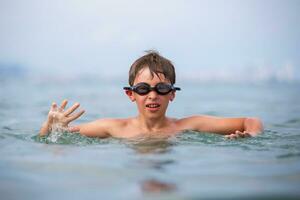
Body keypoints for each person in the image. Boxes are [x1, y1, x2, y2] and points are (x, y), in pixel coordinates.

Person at [39, 51, 263, 139]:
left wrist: (251, 138)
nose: (153, 95)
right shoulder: (113, 128)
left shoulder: (187, 126)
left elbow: (250, 121)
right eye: (144, 89)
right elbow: (52, 139)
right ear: (131, 94)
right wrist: (50, 125)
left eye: (162, 89)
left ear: (172, 95)